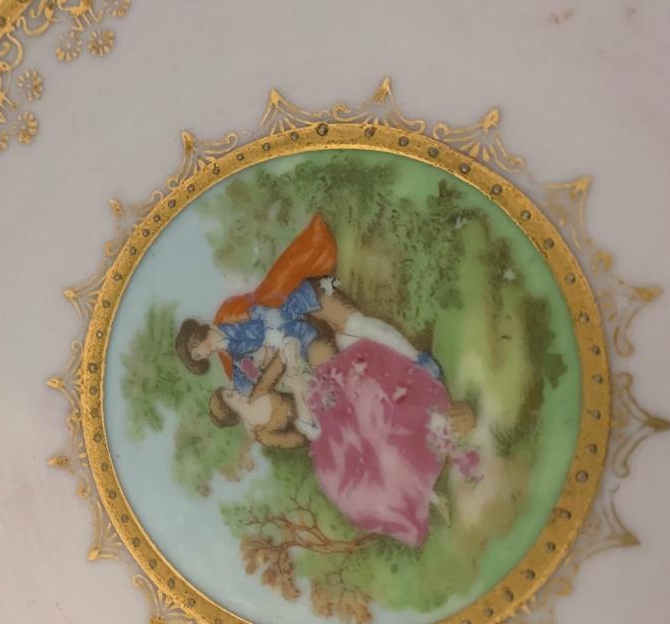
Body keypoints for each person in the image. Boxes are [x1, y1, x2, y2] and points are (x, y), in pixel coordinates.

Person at [209, 335, 479, 549]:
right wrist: (305, 404)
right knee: (359, 480)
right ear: (232, 412)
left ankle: (430, 477)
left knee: (378, 428)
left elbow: (276, 369)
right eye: (231, 397)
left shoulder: (259, 392)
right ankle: (420, 503)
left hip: (324, 406)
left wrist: (288, 358)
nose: (235, 394)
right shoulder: (261, 433)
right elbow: (298, 437)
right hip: (319, 432)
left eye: (230, 392)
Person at [175, 215, 441, 395]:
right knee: (339, 364)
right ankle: (402, 387)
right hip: (302, 339)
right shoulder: (233, 359)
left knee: (357, 324)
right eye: (199, 357)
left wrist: (270, 336)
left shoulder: (228, 315)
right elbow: (250, 386)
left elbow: (263, 310)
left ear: (198, 336)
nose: (203, 353)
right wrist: (263, 363)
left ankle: (418, 360)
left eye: (197, 349)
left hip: (298, 302)